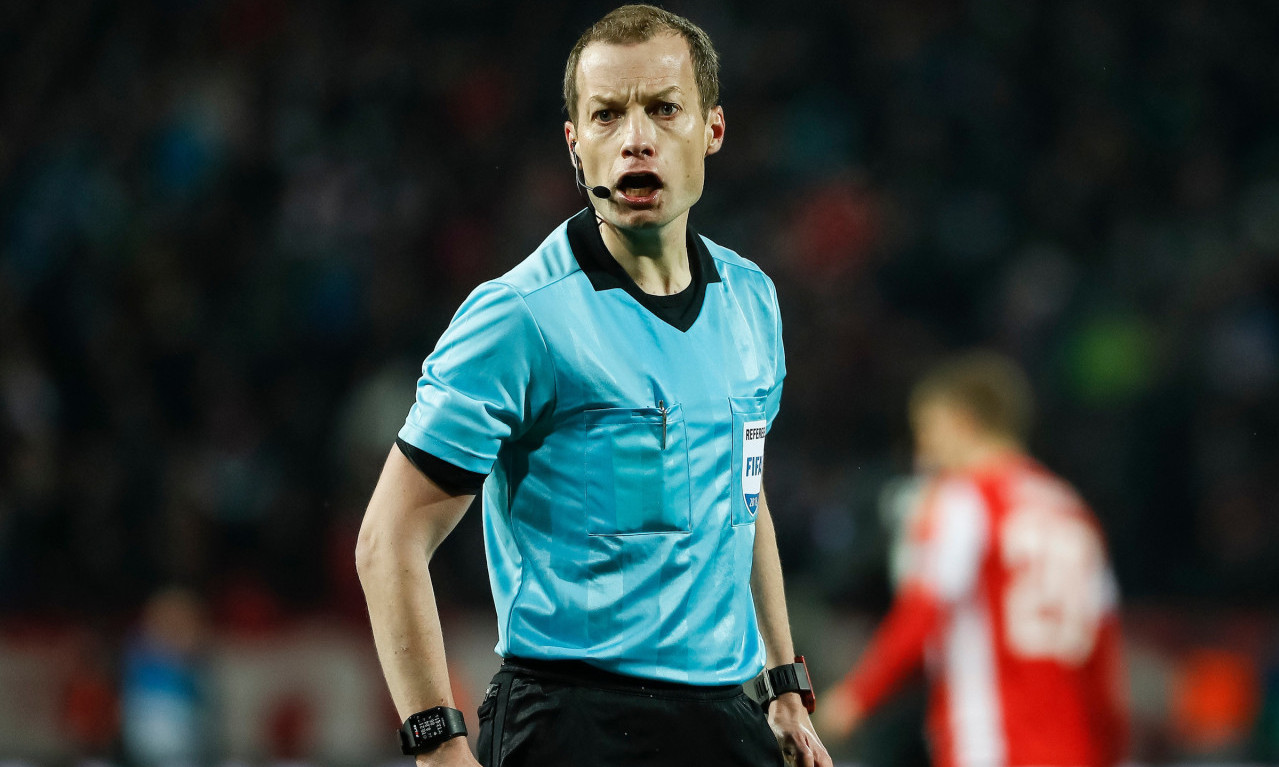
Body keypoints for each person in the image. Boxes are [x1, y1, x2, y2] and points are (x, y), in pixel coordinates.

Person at [355, 6, 831, 767]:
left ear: (712, 128)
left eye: (664, 108)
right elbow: (390, 538)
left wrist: (782, 683)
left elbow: (743, 493)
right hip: (571, 722)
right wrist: (437, 744)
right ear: (575, 144)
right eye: (607, 115)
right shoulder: (520, 317)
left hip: (722, 717)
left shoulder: (751, 299)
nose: (636, 138)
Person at [816, 351, 1128, 767]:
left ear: (963, 422)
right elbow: (1103, 653)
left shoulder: (965, 500)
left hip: (989, 745)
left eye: (928, 430)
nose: (922, 452)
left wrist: (855, 698)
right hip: (1075, 752)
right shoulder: (1072, 510)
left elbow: (922, 611)